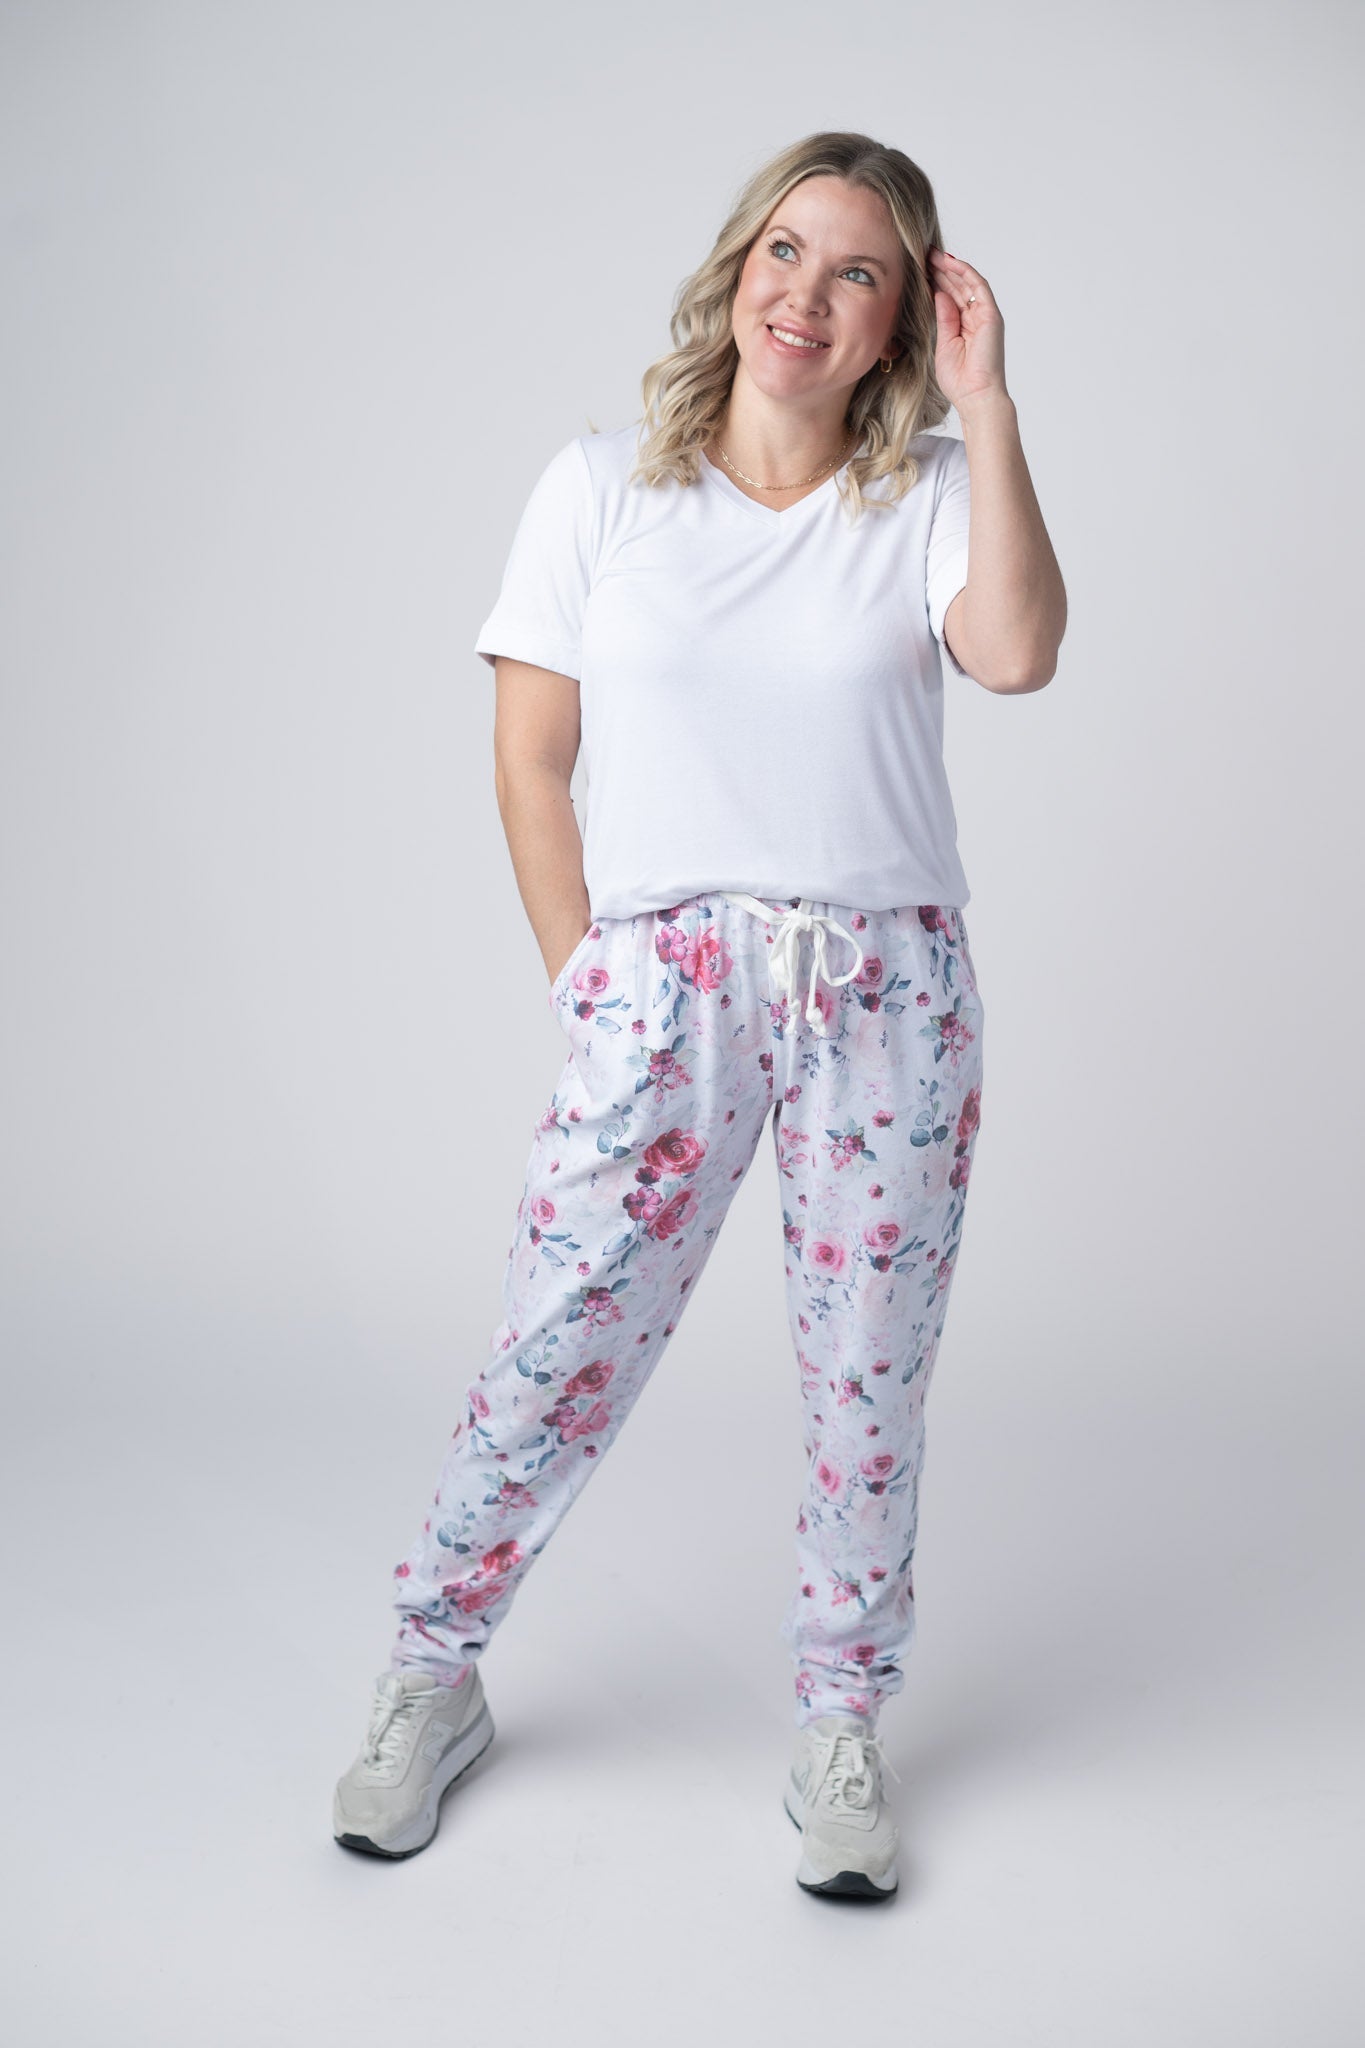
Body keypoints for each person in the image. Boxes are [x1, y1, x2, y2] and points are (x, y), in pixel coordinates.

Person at [333, 129, 1066, 1900]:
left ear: (901, 321)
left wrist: (995, 407)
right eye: (785, 254)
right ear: (736, 267)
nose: (806, 296)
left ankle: (837, 1726)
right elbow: (530, 753)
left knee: (866, 1376)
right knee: (558, 1342)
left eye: (859, 273)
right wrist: (594, 978)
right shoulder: (600, 486)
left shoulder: (927, 490)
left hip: (883, 992)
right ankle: (431, 1677)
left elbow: (1021, 652)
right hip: (665, 988)